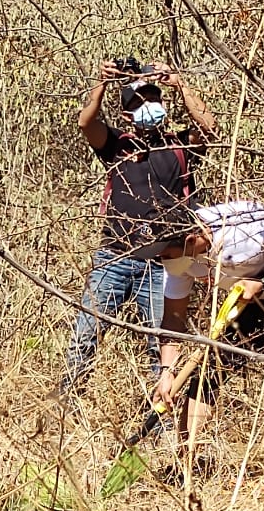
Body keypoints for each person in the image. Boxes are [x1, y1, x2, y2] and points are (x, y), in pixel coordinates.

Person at [145, 201, 264, 483]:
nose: (162, 260)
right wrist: (166, 372)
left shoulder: (245, 230)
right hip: (253, 296)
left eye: (166, 254)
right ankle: (183, 467)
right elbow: (173, 319)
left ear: (190, 239)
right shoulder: (177, 260)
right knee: (208, 373)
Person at [58, 58, 216, 400]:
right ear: (126, 113)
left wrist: (181, 83)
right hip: (115, 257)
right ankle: (64, 407)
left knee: (161, 349)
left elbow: (209, 127)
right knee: (86, 336)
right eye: (136, 102)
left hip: (165, 264)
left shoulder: (179, 147)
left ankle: (157, 421)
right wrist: (101, 84)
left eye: (151, 97)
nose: (146, 106)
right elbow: (87, 122)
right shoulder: (118, 146)